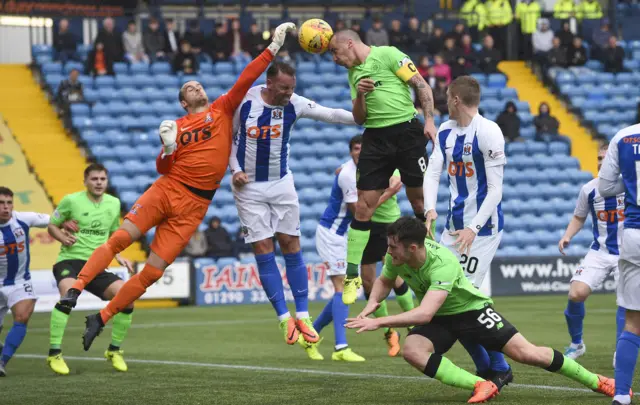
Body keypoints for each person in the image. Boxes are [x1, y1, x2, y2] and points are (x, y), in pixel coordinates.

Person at [59, 22, 298, 351]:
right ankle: (77, 287)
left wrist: (272, 48)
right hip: (168, 189)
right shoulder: (178, 126)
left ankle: (101, 317)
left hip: (195, 205)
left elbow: (246, 78)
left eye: (199, 84)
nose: (197, 87)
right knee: (120, 239)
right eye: (190, 87)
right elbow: (163, 167)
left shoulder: (222, 109)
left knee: (154, 272)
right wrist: (169, 147)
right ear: (184, 102)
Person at [346, 216, 625, 403]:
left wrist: (380, 323)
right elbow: (383, 280)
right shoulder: (397, 254)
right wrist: (372, 304)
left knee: (527, 353)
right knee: (413, 350)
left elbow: (424, 314)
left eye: (394, 247)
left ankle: (597, 381)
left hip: (471, 310)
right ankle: (481, 385)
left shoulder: (442, 263)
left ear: (413, 247)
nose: (389, 251)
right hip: (442, 317)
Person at [228, 61, 356, 346]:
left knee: (290, 244)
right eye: (285, 88)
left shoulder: (295, 104)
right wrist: (235, 169)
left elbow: (332, 114)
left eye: (292, 88)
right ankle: (284, 318)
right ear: (270, 83)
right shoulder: (246, 100)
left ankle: (302, 314)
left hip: (281, 182)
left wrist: (363, 118)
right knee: (263, 248)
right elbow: (228, 137)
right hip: (248, 187)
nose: (289, 93)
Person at [328, 29, 437, 306]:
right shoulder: (353, 74)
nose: (335, 59)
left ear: (349, 44)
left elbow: (421, 85)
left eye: (335, 52)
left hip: (406, 132)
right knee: (364, 206)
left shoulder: (388, 54)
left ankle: (431, 255)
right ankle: (352, 275)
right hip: (375, 138)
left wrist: (429, 121)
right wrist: (361, 96)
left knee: (419, 200)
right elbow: (359, 118)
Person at [424, 76, 512, 389]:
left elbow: (496, 189)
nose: (444, 101)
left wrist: (474, 228)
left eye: (447, 96)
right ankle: (490, 366)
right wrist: (429, 209)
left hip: (482, 230)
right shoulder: (445, 132)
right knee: (448, 299)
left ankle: (497, 366)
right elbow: (433, 171)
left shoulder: (489, 131)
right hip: (451, 228)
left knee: (459, 300)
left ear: (457, 99)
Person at [46, 164, 135, 375]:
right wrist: (62, 236)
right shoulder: (71, 200)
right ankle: (54, 353)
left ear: (107, 181)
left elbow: (114, 236)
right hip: (70, 260)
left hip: (97, 264)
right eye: (94, 179)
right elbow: (51, 224)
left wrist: (120, 256)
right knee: (68, 295)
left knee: (128, 297)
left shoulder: (114, 203)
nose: (98, 183)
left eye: (102, 179)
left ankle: (114, 350)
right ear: (85, 181)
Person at [558, 144, 625, 363]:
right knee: (576, 293)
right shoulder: (589, 189)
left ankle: (621, 351)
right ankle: (577, 344)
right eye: (598, 158)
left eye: (605, 158)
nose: (600, 162)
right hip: (601, 251)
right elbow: (579, 217)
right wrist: (567, 236)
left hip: (629, 254)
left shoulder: (631, 186)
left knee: (626, 302)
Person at [310, 136, 368, 362]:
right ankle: (341, 347)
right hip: (331, 234)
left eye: (362, 149)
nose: (359, 153)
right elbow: (358, 212)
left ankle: (311, 334)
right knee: (344, 288)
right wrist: (389, 194)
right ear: (350, 151)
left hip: (342, 236)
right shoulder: (347, 175)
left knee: (345, 290)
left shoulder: (353, 170)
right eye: (355, 149)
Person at [598, 122, 640, 405]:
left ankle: (622, 395)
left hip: (635, 235)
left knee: (633, 321)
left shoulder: (624, 136)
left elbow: (604, 187)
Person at [0, 187, 51, 376]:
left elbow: (52, 220)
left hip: (20, 282)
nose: (6, 207)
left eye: (9, 203)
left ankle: (2, 362)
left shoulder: (23, 219)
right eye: (1, 203)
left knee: (22, 317)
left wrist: (66, 223)